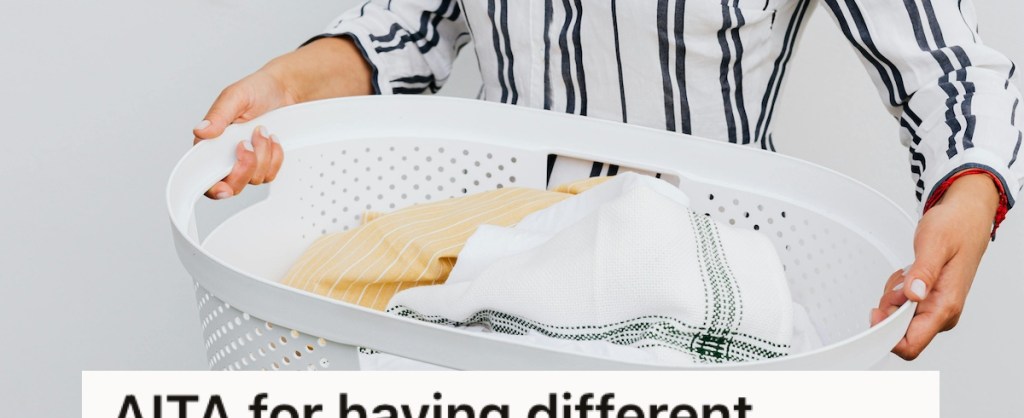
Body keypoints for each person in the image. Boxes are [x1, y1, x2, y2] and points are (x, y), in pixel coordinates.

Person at [193, 1, 1022, 360]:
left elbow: (950, 68)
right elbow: (410, 26)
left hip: (703, 289)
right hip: (491, 278)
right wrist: (289, 85)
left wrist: (972, 192)